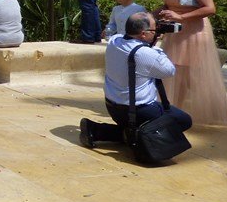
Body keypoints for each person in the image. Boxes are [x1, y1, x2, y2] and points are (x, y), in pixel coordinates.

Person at [79, 12, 193, 149]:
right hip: (139, 112)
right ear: (143, 34)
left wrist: (151, 38)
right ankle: (132, 136)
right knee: (183, 120)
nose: (157, 31)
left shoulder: (114, 40)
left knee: (138, 125)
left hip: (113, 108)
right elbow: (169, 71)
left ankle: (96, 130)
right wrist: (155, 46)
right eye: (154, 29)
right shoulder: (146, 53)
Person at [156, 0, 227, 126]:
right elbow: (170, 4)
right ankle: (172, 109)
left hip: (194, 32)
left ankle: (215, 110)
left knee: (196, 73)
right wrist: (156, 13)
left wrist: (181, 17)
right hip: (175, 33)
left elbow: (210, 8)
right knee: (174, 71)